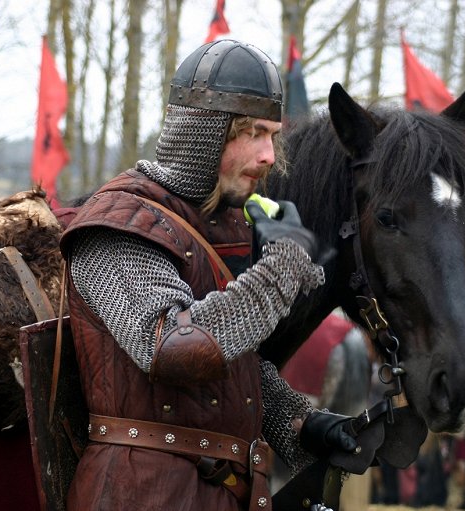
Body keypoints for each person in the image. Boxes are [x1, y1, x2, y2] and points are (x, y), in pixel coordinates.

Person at [59, 39, 358, 511]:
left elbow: (226, 371)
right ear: (205, 130)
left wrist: (300, 422)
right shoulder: (119, 223)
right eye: (252, 132)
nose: (267, 155)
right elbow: (172, 350)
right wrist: (280, 271)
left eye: (273, 136)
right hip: (140, 494)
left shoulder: (220, 224)